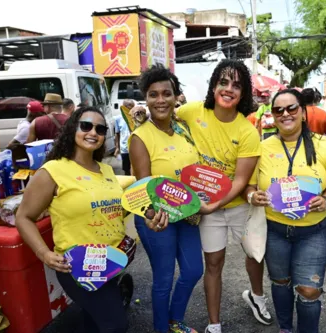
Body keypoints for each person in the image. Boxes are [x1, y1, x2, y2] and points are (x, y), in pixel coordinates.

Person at [176, 59, 272, 333]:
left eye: (236, 85)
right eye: (223, 82)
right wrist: (137, 112)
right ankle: (214, 324)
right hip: (208, 206)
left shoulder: (247, 131)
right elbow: (164, 117)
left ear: (243, 94)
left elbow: (241, 180)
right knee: (214, 263)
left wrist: (213, 205)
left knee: (255, 255)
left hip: (239, 205)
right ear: (214, 85)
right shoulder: (192, 112)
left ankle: (257, 297)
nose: (229, 89)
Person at [16, 106, 130, 333]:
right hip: (78, 266)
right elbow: (23, 217)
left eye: (100, 128)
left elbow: (112, 210)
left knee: (93, 321)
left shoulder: (107, 170)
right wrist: (44, 253)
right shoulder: (53, 171)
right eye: (86, 126)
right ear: (72, 129)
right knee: (115, 324)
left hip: (111, 260)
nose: (93, 132)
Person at [244, 89, 326, 333]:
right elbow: (250, 186)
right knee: (280, 282)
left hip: (314, 231)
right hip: (274, 229)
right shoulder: (262, 147)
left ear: (303, 113)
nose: (285, 114)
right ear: (272, 116)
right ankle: (285, 328)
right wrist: (253, 196)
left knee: (309, 290)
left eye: (291, 108)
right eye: (278, 110)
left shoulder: (325, 145)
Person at [129, 65, 204, 333]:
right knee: (163, 279)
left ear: (176, 97)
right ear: (146, 99)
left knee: (194, 270)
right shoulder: (140, 137)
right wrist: (151, 217)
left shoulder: (183, 129)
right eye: (153, 94)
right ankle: (163, 328)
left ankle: (175, 320)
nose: (160, 100)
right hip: (156, 218)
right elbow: (142, 186)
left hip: (186, 214)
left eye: (166, 93)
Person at [115, 99, 135, 175]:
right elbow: (117, 134)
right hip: (124, 148)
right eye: (127, 107)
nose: (129, 109)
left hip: (135, 147)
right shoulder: (118, 119)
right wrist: (117, 147)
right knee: (126, 169)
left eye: (131, 107)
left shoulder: (137, 117)